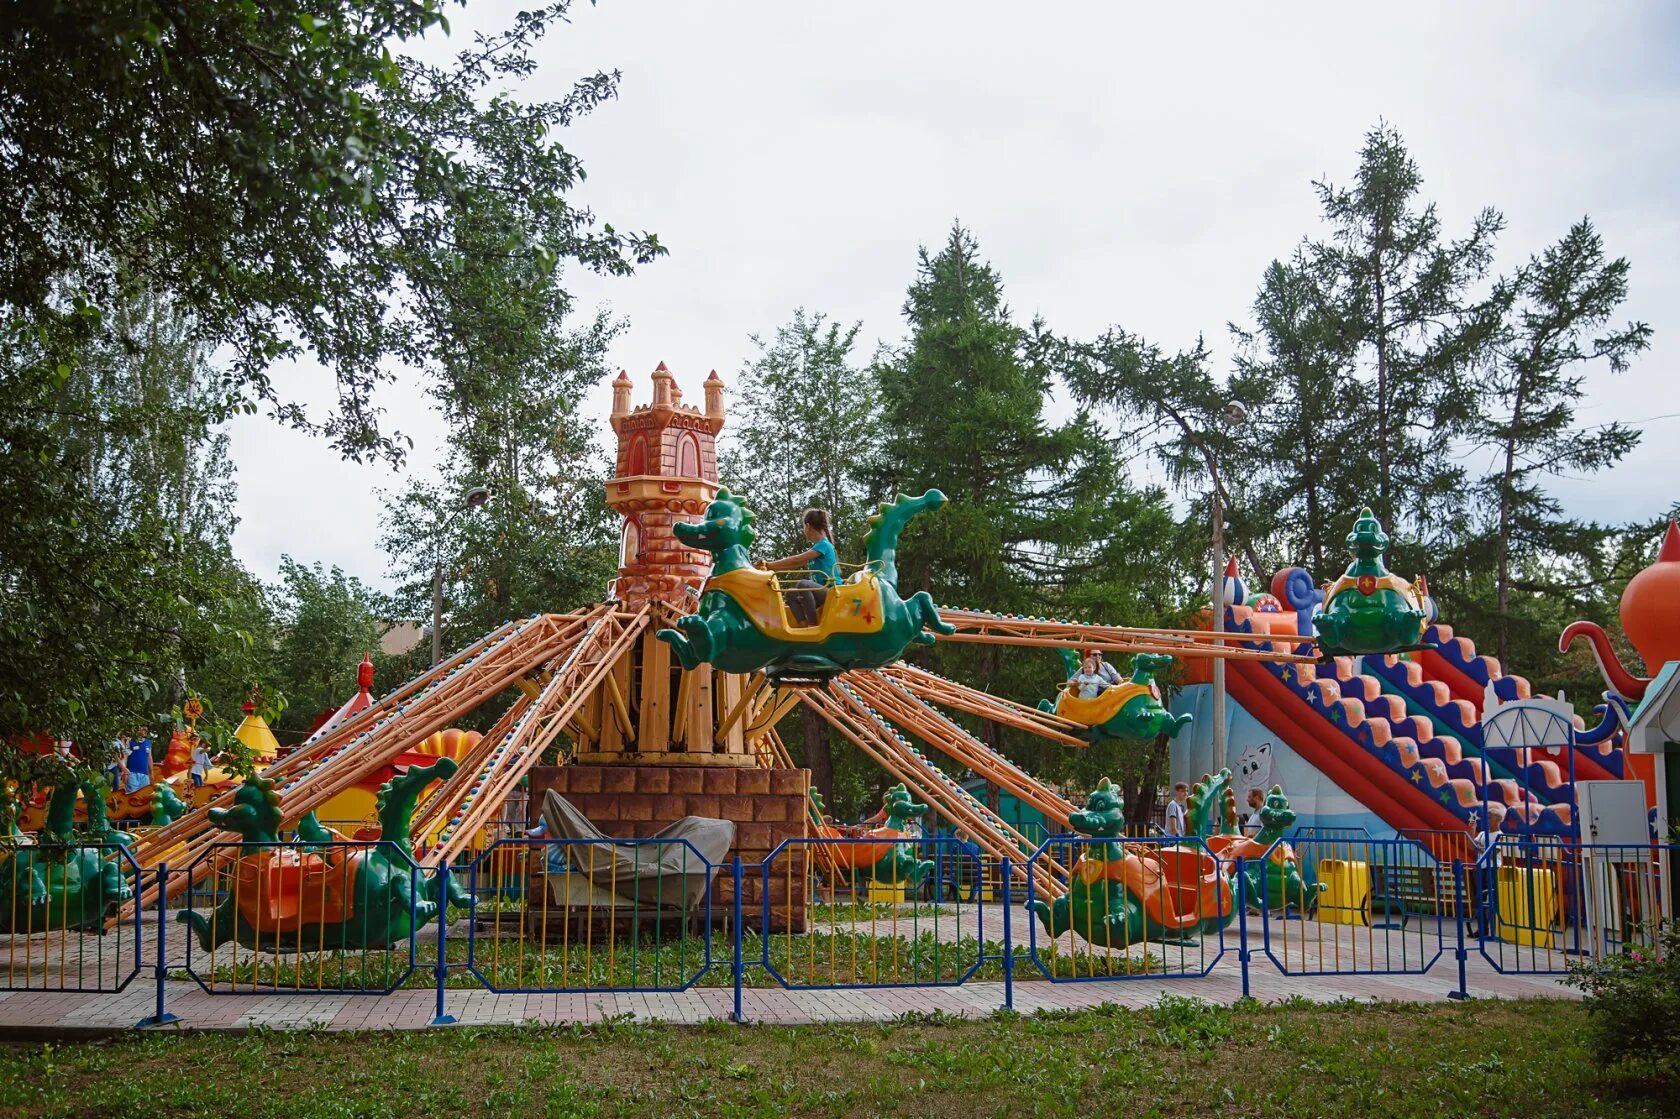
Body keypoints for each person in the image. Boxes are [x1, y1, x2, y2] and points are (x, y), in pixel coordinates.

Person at [762, 508, 839, 627]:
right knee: (791, 594)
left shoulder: (823, 545)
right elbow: (794, 564)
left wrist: (769, 565)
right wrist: (770, 568)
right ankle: (803, 626)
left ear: (807, 526)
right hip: (819, 593)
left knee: (803, 584)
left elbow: (797, 559)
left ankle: (812, 625)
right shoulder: (817, 547)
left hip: (831, 591)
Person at [124, 728, 153, 793]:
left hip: (145, 774)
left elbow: (149, 757)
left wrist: (151, 773)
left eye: (143, 730)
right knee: (131, 796)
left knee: (144, 796)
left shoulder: (148, 742)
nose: (141, 732)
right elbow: (125, 757)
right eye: (139, 729)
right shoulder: (130, 741)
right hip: (132, 773)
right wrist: (125, 772)